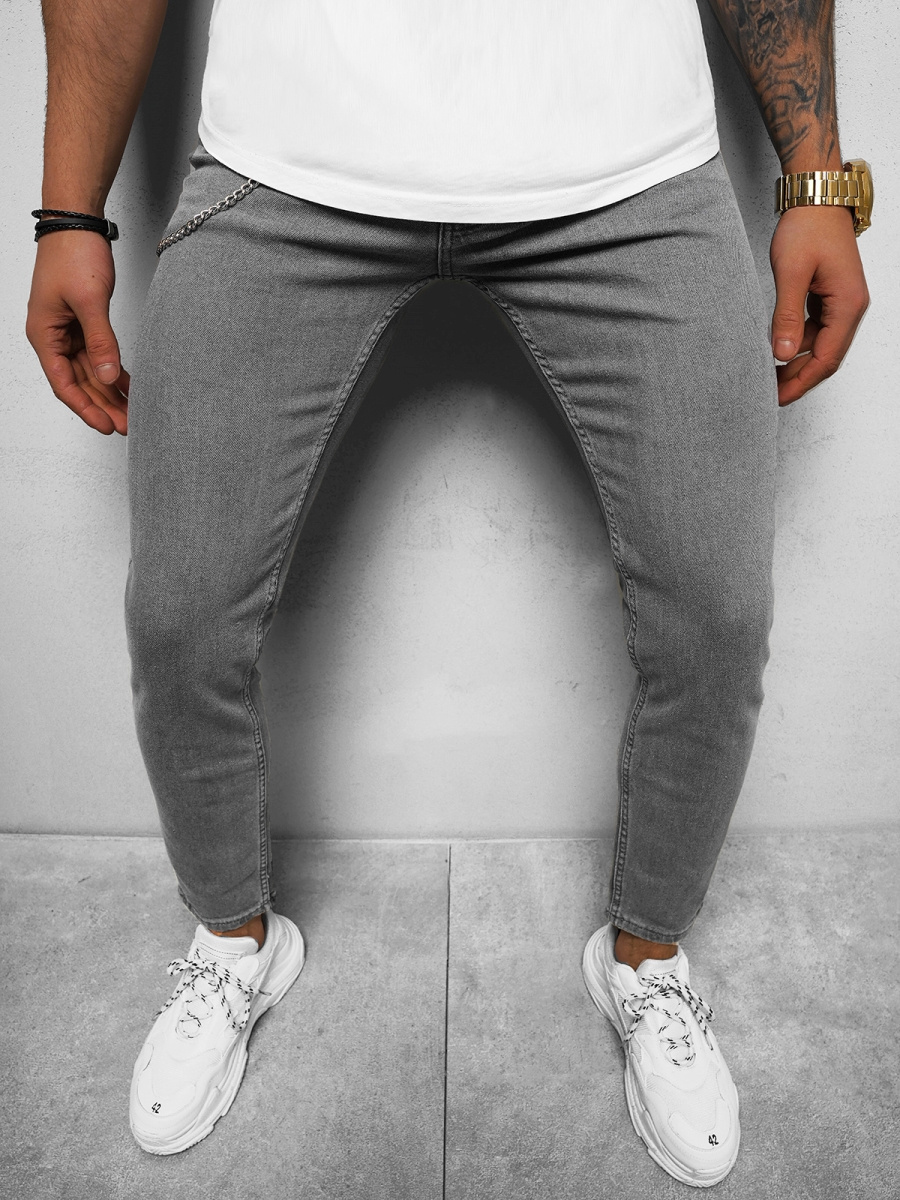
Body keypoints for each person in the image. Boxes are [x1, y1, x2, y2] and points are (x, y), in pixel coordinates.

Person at [26, 0, 870, 1187]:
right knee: (181, 614)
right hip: (285, 162)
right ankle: (233, 942)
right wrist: (69, 212)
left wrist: (818, 183)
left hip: (631, 169)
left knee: (715, 613)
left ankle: (645, 961)